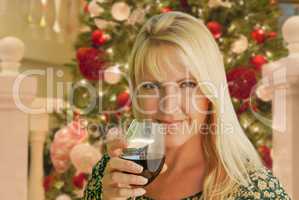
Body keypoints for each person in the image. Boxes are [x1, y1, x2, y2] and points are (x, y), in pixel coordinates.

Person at [83, 11, 291, 200]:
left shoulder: (254, 190)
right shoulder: (114, 173)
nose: (169, 105)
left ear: (210, 93)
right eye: (151, 86)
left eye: (187, 84)